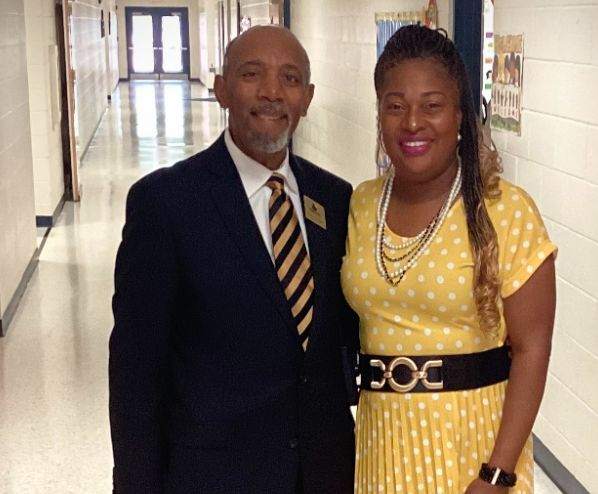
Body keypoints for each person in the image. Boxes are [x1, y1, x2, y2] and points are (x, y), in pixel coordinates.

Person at [109, 25, 358, 493]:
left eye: (289, 78)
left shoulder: (336, 199)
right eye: (251, 74)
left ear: (307, 97)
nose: (271, 92)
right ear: (222, 89)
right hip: (215, 475)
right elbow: (135, 374)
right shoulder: (166, 204)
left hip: (325, 472)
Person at [341, 25, 556, 493]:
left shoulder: (505, 210)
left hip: (471, 447)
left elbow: (532, 349)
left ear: (460, 115)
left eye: (432, 105)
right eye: (394, 106)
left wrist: (497, 474)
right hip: (383, 444)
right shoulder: (361, 204)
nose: (412, 122)